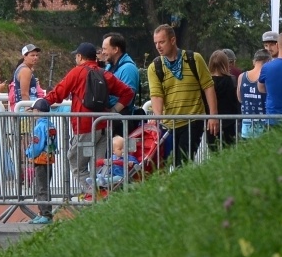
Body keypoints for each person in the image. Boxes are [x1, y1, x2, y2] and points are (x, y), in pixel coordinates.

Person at [32, 42, 136, 194]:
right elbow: (128, 92)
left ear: (80, 57)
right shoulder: (104, 74)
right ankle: (106, 200)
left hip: (85, 126)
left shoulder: (77, 72)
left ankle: (93, 195)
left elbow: (58, 93)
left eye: (76, 55)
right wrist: (113, 111)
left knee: (76, 163)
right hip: (104, 126)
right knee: (99, 166)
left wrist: (42, 103)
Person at [146, 24, 218, 165]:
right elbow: (156, 95)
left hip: (192, 120)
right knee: (164, 164)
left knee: (182, 163)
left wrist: (213, 115)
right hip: (168, 124)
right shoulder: (155, 66)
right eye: (156, 43)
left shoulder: (194, 59)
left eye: (162, 42)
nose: (158, 46)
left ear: (173, 40)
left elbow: (208, 87)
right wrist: (157, 117)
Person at [100, 33, 143, 113]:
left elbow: (128, 98)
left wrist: (111, 113)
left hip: (120, 120)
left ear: (116, 49)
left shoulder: (129, 68)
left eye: (105, 49)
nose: (102, 52)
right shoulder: (109, 66)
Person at [209, 49, 240, 146]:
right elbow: (235, 101)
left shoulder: (208, 82)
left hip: (211, 122)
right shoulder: (231, 80)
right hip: (229, 121)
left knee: (213, 151)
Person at [238, 49, 270, 138]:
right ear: (268, 61)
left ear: (254, 61)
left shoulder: (242, 76)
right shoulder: (266, 77)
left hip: (246, 126)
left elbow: (240, 98)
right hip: (264, 125)